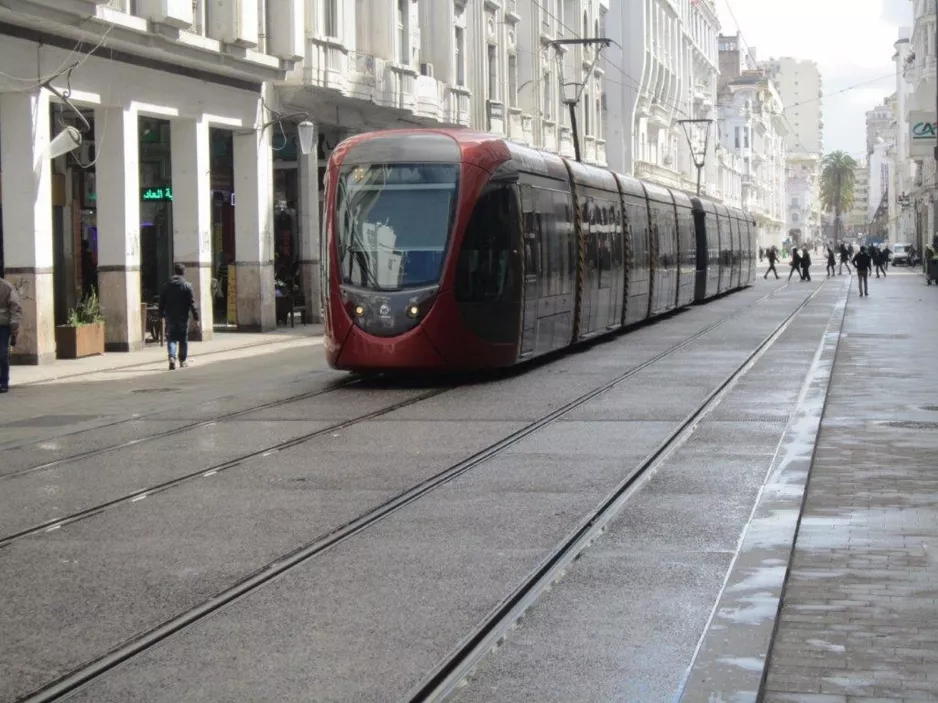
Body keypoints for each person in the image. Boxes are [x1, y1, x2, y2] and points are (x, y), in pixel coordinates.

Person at [158, 263, 200, 370]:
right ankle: (183, 360)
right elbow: (192, 303)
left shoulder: (167, 285)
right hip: (183, 316)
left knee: (171, 338)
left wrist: (160, 314)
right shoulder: (187, 285)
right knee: (183, 339)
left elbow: (161, 301)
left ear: (175, 272)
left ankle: (172, 357)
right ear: (183, 272)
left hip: (170, 316)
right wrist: (196, 317)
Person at [0, 272, 23, 393]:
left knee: (3, 354)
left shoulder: (6, 287)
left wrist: (14, 326)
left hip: (2, 325)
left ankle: (3, 381)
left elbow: (15, 307)